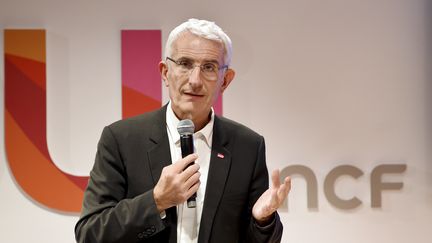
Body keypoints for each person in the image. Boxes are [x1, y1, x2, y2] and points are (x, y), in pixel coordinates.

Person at [75, 18, 291, 243]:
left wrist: (262, 220)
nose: (195, 81)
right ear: (165, 72)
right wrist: (156, 201)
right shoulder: (121, 140)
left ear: (225, 80)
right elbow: (90, 233)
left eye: (209, 67)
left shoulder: (248, 146)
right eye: (185, 64)